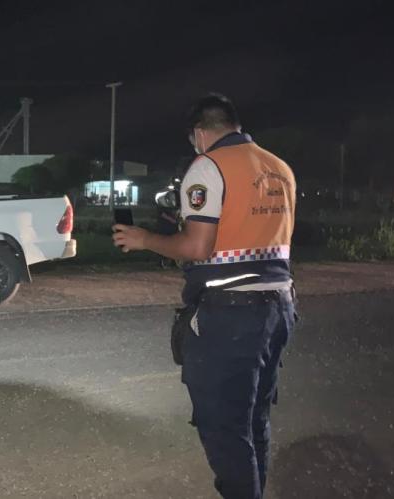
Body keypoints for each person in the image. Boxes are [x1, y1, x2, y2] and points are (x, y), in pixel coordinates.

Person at [112, 93, 297, 499]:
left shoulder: (208, 166)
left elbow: (198, 247)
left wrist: (145, 239)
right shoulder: (279, 168)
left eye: (193, 140)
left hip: (230, 315)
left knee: (225, 429)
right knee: (253, 420)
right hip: (279, 307)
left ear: (199, 133)